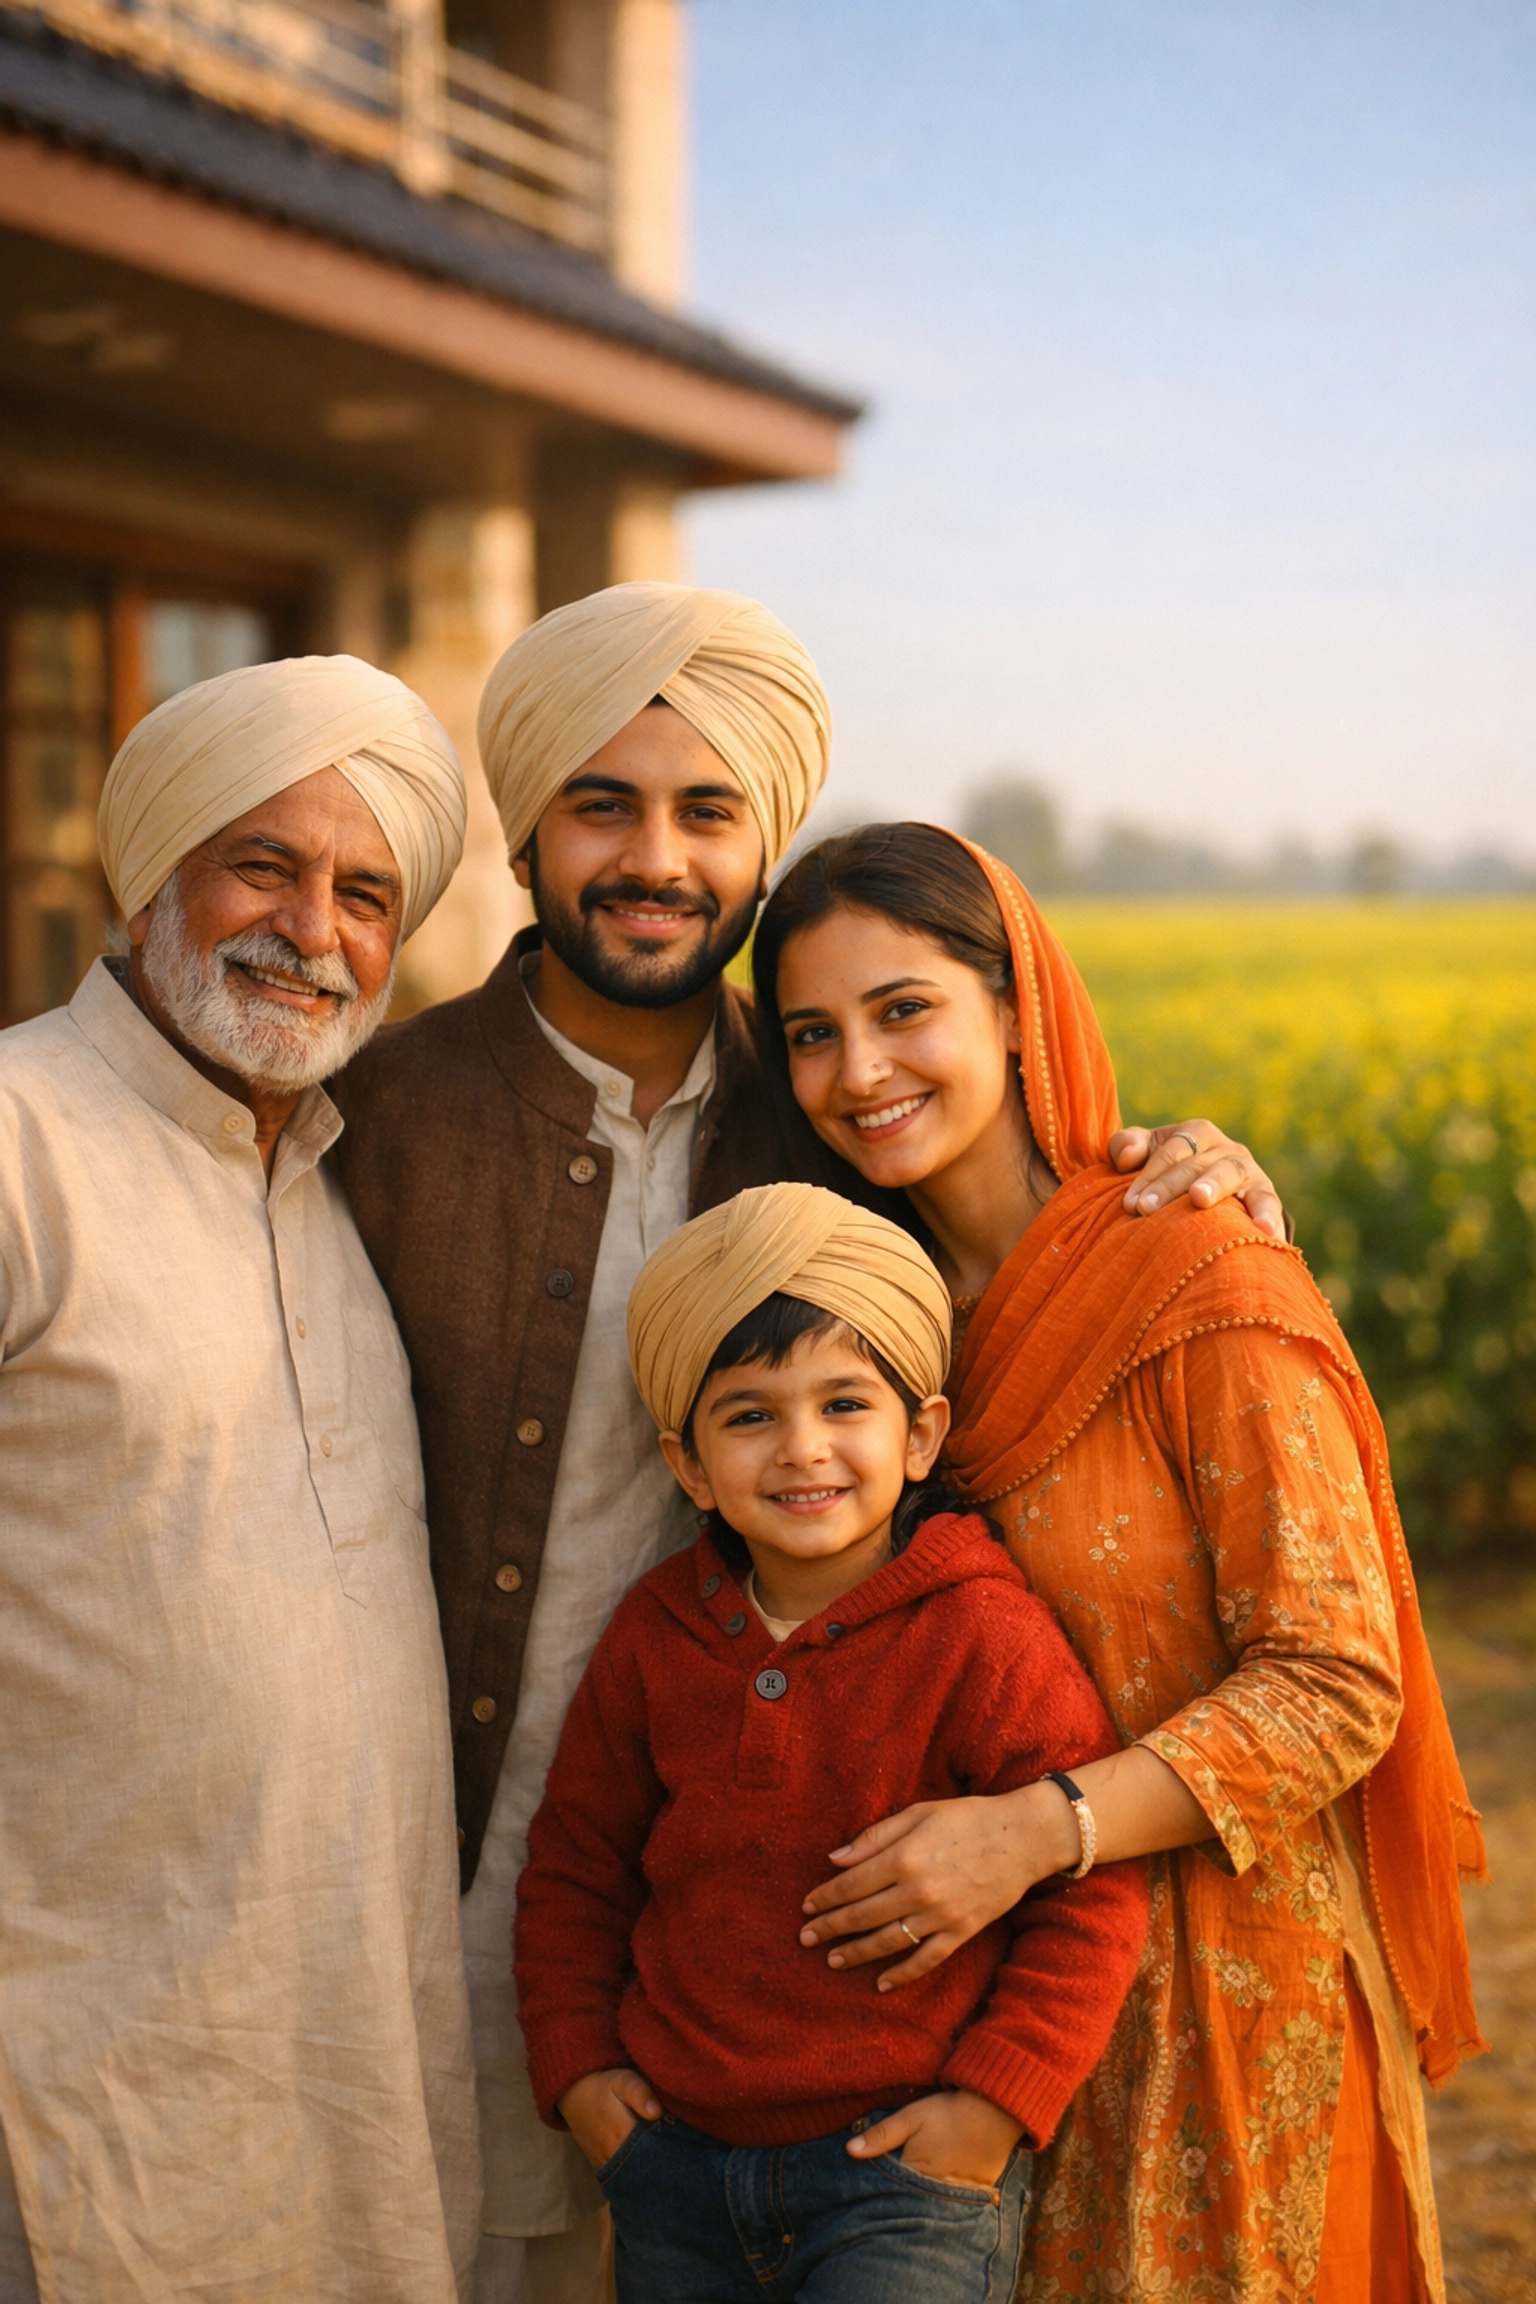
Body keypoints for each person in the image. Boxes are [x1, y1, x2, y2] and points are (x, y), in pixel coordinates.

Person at [327, 580, 1286, 2304]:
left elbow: (1018, 1225)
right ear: (529, 826)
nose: (653, 857)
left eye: (708, 812)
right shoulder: (376, 1111)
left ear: (759, 840)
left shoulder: (835, 1111)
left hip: (806, 1964)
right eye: (602, 802)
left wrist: (1183, 1156)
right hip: (432, 1873)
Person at [748, 821, 1487, 2304]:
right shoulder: (853, 1329)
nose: (860, 1073)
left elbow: (1340, 1678)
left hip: (1225, 1997)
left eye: (905, 1011)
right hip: (965, 2020)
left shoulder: (1195, 1266)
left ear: (1016, 1003)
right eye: (813, 1036)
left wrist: (1035, 1831)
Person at [0, 657, 481, 2302]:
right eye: (263, 864)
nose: (315, 930)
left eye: (365, 891)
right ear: (155, 877)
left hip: (351, 2075)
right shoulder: (15, 1140)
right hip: (76, 2093)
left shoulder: (344, 1182)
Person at [515, 1183, 1151, 2304]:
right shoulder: (654, 1636)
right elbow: (576, 1865)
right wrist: (577, 2070)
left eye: (844, 1404)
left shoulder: (982, 1633)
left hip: (903, 2178)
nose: (802, 1450)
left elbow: (1089, 1894)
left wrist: (996, 2106)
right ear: (689, 1465)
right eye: (750, 1415)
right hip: (675, 2165)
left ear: (921, 1437)